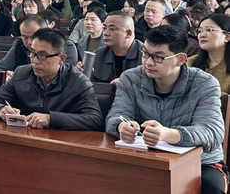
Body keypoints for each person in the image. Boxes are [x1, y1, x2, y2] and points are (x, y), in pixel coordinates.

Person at [108, 25, 225, 193]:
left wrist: (168, 134)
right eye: (145, 54)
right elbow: (117, 114)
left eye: (158, 57)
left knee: (211, 188)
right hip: (146, 158)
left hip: (201, 162)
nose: (148, 62)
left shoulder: (205, 84)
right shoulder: (131, 78)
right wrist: (121, 126)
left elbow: (212, 132)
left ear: (181, 59)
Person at [0, 28, 103, 131]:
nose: (35, 60)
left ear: (61, 59)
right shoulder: (21, 73)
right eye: (32, 53)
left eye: (42, 55)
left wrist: (51, 119)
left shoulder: (79, 82)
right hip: (24, 137)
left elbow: (95, 119)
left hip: (59, 143)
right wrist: (0, 110)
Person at [0, 15, 79, 76]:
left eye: (33, 37)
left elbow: (66, 76)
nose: (29, 42)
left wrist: (20, 78)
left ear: (46, 31)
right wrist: (7, 75)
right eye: (25, 37)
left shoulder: (65, 46)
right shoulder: (19, 45)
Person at [89, 11, 143, 84]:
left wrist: (126, 81)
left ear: (128, 33)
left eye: (112, 29)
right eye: (104, 28)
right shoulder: (99, 54)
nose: (105, 33)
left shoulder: (145, 55)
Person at [187, 14, 230, 93]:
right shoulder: (189, 62)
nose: (202, 35)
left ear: (227, 37)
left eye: (209, 30)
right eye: (199, 31)